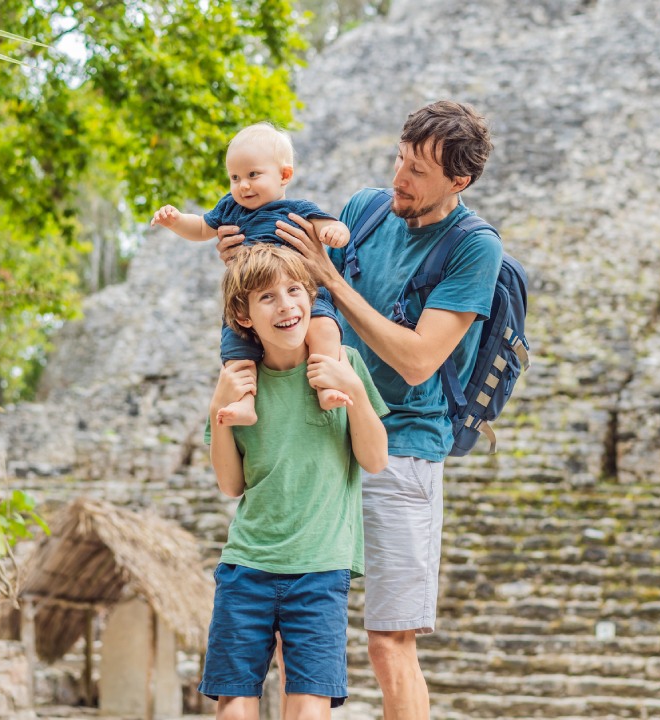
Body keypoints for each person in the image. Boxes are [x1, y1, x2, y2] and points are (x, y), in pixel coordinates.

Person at [215, 100, 503, 720]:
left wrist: (336, 280)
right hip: (320, 438)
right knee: (299, 631)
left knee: (388, 643)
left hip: (402, 447)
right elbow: (294, 292)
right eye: (400, 158)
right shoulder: (364, 212)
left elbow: (419, 359)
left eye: (419, 171)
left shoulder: (472, 248)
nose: (400, 177)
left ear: (460, 180)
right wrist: (246, 255)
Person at [199, 243, 389, 720]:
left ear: (311, 299)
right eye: (267, 298)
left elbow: (376, 458)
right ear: (243, 317)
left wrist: (354, 392)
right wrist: (217, 410)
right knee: (234, 704)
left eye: (295, 291)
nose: (286, 305)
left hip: (320, 569)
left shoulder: (340, 365)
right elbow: (230, 483)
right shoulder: (238, 382)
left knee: (309, 706)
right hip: (248, 565)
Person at [152, 122, 352, 427]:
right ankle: (244, 403)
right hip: (248, 299)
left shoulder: (296, 209)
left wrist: (335, 231)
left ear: (284, 175)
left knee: (325, 327)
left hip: (302, 293)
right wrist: (177, 221)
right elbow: (203, 228)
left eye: (253, 175)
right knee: (236, 351)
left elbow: (324, 225)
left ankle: (327, 386)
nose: (243, 185)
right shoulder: (230, 209)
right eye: (235, 177)